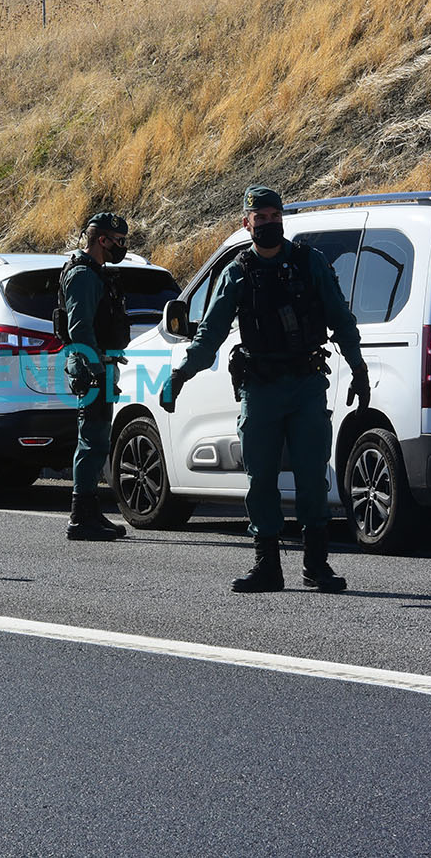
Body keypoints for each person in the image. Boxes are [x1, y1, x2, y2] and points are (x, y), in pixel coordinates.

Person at [162, 186, 369, 593]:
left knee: (312, 476)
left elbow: (341, 321)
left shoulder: (311, 264)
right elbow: (210, 334)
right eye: (262, 218)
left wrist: (358, 369)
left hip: (307, 383)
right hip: (260, 388)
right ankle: (267, 566)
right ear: (246, 223)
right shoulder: (237, 273)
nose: (270, 223)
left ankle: (316, 566)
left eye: (275, 216)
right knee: (260, 480)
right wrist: (180, 376)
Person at [60, 211, 131, 541]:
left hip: (100, 364)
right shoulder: (84, 276)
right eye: (117, 241)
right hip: (92, 368)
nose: (122, 247)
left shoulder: (95, 273)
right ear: (101, 240)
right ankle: (80, 518)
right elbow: (79, 329)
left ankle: (89, 511)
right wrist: (98, 371)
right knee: (91, 441)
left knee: (97, 440)